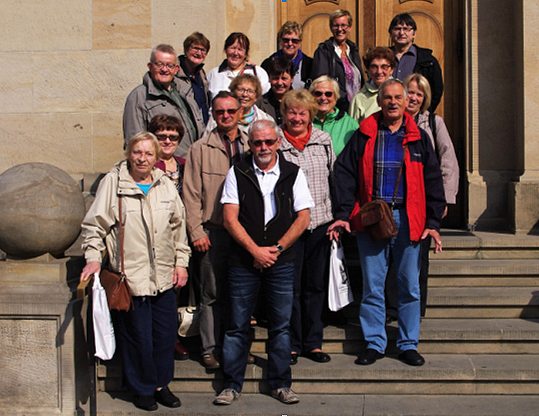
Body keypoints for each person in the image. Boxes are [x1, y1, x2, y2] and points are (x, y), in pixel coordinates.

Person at [327, 79, 445, 367]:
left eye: (397, 98)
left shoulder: (419, 137)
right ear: (379, 102)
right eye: (387, 98)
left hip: (409, 218)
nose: (393, 102)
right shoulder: (365, 133)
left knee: (409, 286)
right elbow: (344, 173)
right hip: (373, 218)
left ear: (406, 102)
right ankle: (374, 343)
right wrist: (344, 214)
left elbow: (432, 180)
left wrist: (433, 221)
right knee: (373, 286)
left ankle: (407, 343)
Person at [79, 132, 191, 411]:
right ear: (129, 154)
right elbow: (95, 226)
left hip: (164, 277)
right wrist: (93, 258)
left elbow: (178, 228)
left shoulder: (164, 184)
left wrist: (181, 263)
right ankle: (142, 388)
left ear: (156, 157)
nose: (142, 158)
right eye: (137, 152)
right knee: (138, 338)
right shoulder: (114, 183)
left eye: (148, 153)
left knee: (164, 336)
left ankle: (161, 384)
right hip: (131, 278)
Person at [214, 119, 313, 406]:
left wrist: (277, 249)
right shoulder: (238, 172)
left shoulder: (293, 173)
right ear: (250, 144)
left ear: (278, 143)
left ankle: (281, 383)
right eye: (257, 142)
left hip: (282, 261)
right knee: (236, 325)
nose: (264, 147)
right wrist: (255, 251)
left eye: (269, 141)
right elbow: (229, 218)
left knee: (281, 325)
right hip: (243, 261)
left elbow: (303, 217)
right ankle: (231, 385)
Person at [182, 91, 250, 370]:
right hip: (213, 231)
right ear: (213, 114)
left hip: (245, 233)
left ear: (240, 113)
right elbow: (190, 193)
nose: (226, 116)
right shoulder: (199, 149)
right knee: (211, 294)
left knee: (240, 293)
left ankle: (237, 346)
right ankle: (210, 348)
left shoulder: (251, 144)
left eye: (231, 111)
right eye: (220, 111)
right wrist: (196, 231)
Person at [385, 73, 459, 318]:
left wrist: (444, 199)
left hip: (424, 200)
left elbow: (448, 162)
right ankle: (392, 308)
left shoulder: (434, 123)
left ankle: (416, 310)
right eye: (410, 92)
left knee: (419, 258)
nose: (414, 98)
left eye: (419, 94)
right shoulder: (390, 121)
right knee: (393, 257)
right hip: (396, 200)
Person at [279, 89, 335, 365]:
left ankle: (313, 342)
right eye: (292, 112)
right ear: (284, 114)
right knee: (291, 287)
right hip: (288, 228)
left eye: (302, 113)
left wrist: (338, 218)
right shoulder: (275, 143)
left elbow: (334, 178)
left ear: (311, 114)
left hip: (320, 223)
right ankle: (291, 343)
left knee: (315, 286)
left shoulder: (323, 140)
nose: (297, 118)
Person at [123, 44, 205, 156]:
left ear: (176, 69)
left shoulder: (186, 91)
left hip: (193, 160)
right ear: (150, 66)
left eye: (170, 65)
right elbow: (134, 141)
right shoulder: (139, 97)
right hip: (163, 164)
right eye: (159, 64)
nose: (164, 69)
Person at [311, 9, 365, 112]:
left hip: (356, 106)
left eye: (343, 25)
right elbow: (321, 81)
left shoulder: (353, 50)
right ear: (331, 28)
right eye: (336, 25)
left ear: (349, 27)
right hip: (337, 108)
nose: (340, 29)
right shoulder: (324, 51)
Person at [388, 13, 444, 112]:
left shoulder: (428, 61)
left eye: (406, 29)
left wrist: (423, 112)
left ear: (414, 34)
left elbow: (436, 90)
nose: (401, 33)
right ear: (391, 33)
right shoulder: (384, 57)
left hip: (416, 115)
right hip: (388, 113)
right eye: (397, 29)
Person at [207, 32, 270, 98]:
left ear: (246, 53)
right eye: (232, 48)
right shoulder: (214, 74)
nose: (235, 53)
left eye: (240, 49)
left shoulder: (258, 73)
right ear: (225, 50)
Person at [205, 74, 274, 134]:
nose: (245, 94)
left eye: (250, 91)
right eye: (241, 90)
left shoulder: (265, 119)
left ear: (256, 96)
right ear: (233, 92)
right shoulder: (219, 116)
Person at [310, 75, 358, 156]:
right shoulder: (303, 122)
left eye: (328, 94)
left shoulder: (350, 125)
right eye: (318, 93)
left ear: (336, 97)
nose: (323, 98)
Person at [261, 21, 313, 89]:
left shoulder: (310, 65)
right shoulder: (268, 64)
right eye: (286, 40)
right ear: (281, 41)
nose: (290, 44)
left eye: (294, 41)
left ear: (300, 42)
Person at [349, 47, 396, 123]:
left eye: (384, 67)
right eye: (374, 67)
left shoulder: (402, 93)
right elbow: (353, 127)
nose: (379, 71)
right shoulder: (359, 99)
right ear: (368, 70)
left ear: (392, 70)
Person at [176, 32, 211, 126]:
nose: (199, 53)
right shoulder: (174, 72)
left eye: (203, 50)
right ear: (186, 49)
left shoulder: (201, 73)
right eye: (195, 48)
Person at [257, 57, 294, 125]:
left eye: (284, 78)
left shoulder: (301, 102)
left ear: (292, 79)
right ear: (269, 78)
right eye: (275, 78)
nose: (279, 83)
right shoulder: (259, 103)